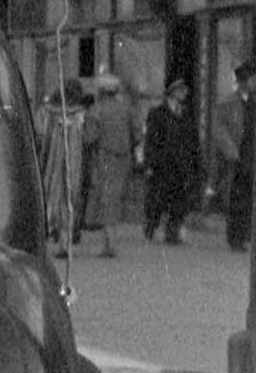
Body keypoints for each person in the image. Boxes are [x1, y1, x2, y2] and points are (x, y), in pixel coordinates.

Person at [142, 76, 202, 245]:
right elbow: (150, 140)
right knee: (158, 197)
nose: (184, 93)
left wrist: (195, 161)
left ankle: (174, 229)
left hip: (181, 165)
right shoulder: (157, 113)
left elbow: (193, 140)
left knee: (179, 198)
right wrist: (149, 164)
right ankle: (153, 227)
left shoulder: (186, 113)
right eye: (180, 89)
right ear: (171, 92)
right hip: (163, 164)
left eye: (184, 90)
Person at [84, 73, 135, 258]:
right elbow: (136, 134)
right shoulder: (126, 108)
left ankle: (109, 244)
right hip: (123, 160)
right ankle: (111, 243)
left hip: (103, 159)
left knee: (105, 199)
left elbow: (90, 138)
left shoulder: (97, 110)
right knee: (115, 199)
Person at [37, 77, 86, 258]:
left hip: (51, 161)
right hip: (74, 162)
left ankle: (49, 237)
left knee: (51, 197)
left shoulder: (48, 112)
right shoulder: (81, 114)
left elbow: (40, 134)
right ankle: (65, 243)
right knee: (69, 199)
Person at [226, 63, 256, 252]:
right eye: (248, 80)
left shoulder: (255, 102)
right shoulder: (231, 102)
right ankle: (235, 236)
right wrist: (231, 149)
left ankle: (243, 234)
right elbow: (221, 128)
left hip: (252, 155)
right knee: (238, 196)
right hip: (238, 155)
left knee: (248, 198)